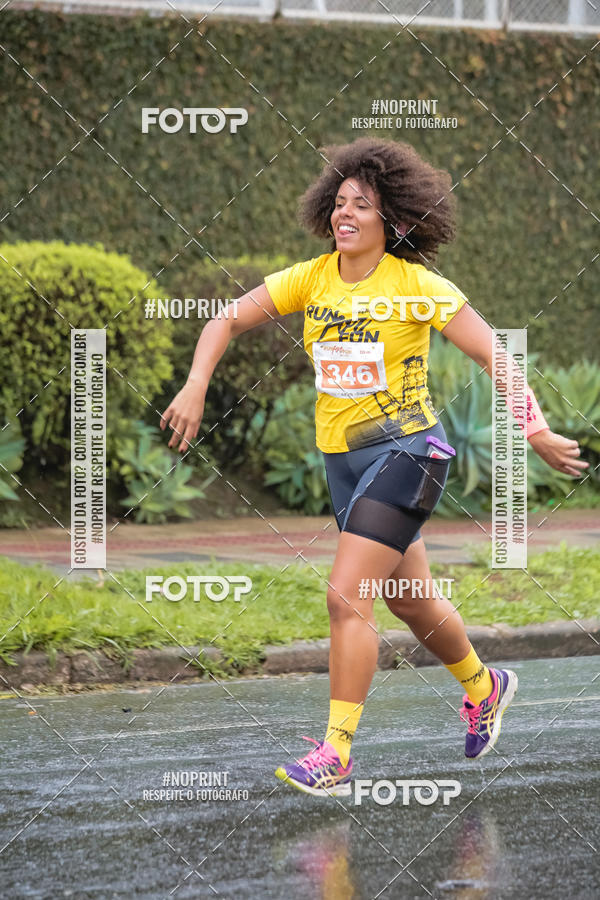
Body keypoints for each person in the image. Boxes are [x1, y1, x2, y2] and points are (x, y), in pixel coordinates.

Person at [161, 138, 588, 797]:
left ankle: (336, 752)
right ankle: (484, 684)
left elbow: (495, 356)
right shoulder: (310, 278)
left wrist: (534, 428)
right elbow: (224, 320)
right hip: (344, 463)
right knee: (408, 599)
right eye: (338, 203)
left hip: (408, 451)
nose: (346, 214)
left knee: (344, 597)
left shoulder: (417, 286)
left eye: (363, 204)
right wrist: (195, 384)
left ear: (394, 220)